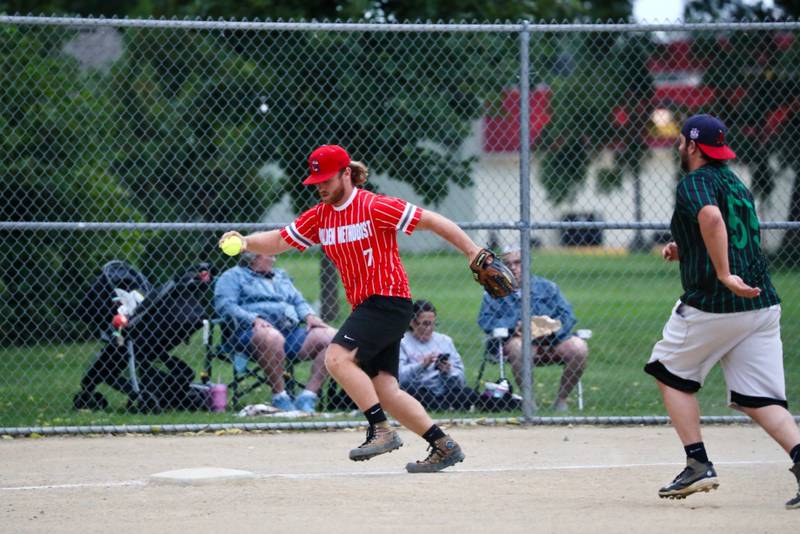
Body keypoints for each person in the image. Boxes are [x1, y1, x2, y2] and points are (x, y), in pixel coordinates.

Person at [219, 144, 488, 472]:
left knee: (336, 357)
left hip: (388, 299)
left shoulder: (374, 206)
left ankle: (380, 430)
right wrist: (246, 242)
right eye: (316, 180)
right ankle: (443, 445)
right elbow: (280, 240)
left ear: (346, 174)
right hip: (369, 305)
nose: (320, 186)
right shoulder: (320, 216)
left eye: (327, 179)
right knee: (385, 390)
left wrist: (473, 251)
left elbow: (431, 220)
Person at [644, 114, 800, 508]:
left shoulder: (694, 183)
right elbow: (726, 226)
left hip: (716, 304)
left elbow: (711, 218)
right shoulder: (734, 182)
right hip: (762, 305)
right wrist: (687, 247)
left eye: (681, 141)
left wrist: (725, 274)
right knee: (759, 398)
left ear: (693, 147)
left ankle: (697, 464)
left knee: (668, 372)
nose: (678, 147)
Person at [214, 252, 335, 413]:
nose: (274, 259)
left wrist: (309, 315)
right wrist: (253, 319)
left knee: (333, 337)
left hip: (289, 331)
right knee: (272, 337)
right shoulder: (232, 276)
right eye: (269, 256)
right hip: (249, 333)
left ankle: (308, 396)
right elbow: (225, 305)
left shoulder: (280, 276)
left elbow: (297, 300)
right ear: (254, 258)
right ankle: (280, 397)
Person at [477, 246, 588, 412]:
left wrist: (551, 327)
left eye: (518, 262)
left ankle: (561, 400)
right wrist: (514, 325)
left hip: (552, 342)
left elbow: (568, 316)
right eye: (508, 264)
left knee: (579, 347)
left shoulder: (548, 288)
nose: (513, 267)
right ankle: (530, 401)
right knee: (517, 347)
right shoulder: (493, 291)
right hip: (519, 343)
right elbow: (485, 321)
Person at [399, 300, 479, 411]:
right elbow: (399, 377)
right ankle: (445, 407)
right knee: (410, 392)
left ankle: (442, 406)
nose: (430, 328)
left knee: (469, 393)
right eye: (425, 324)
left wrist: (448, 371)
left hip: (444, 390)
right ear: (412, 322)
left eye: (433, 324)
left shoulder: (444, 341)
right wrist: (421, 366)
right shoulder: (402, 342)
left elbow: (461, 379)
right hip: (420, 389)